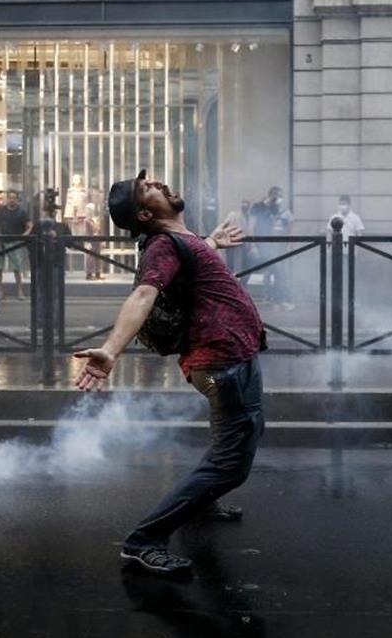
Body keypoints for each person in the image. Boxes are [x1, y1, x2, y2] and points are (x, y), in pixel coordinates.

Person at [72, 169, 266, 576]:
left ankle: (202, 501)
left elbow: (187, 271)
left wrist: (211, 243)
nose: (158, 183)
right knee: (232, 461)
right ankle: (143, 541)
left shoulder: (180, 240)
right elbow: (144, 294)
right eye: (148, 189)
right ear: (144, 214)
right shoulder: (162, 246)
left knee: (233, 435)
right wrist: (110, 350)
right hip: (219, 368)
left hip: (226, 361)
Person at [247, 186, 294, 309]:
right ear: (271, 196)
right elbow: (251, 227)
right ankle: (272, 299)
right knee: (253, 270)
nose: (278, 200)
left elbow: (281, 226)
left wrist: (284, 245)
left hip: (272, 245)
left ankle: (276, 300)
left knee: (276, 270)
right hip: (261, 244)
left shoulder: (275, 209)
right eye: (276, 197)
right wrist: (253, 246)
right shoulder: (257, 207)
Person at [0, 190, 31, 300]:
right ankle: (0, 291)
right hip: (1, 241)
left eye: (14, 197)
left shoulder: (21, 212)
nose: (11, 199)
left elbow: (29, 225)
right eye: (10, 197)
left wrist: (24, 235)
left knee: (17, 268)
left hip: (14, 242)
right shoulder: (1, 211)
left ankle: (19, 291)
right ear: (7, 198)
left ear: (17, 199)